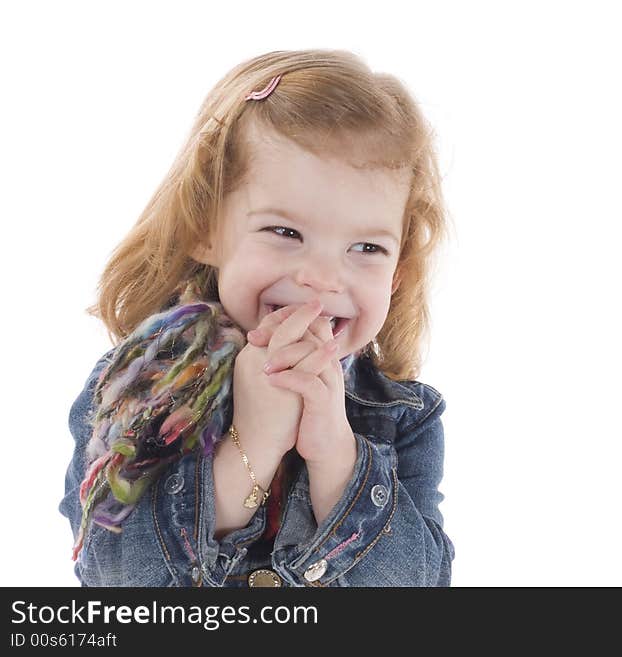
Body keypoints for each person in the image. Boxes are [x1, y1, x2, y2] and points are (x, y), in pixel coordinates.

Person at [59, 49, 453, 587]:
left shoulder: (404, 419)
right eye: (286, 233)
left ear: (398, 273)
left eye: (366, 247)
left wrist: (337, 457)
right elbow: (113, 578)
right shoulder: (140, 384)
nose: (323, 278)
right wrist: (254, 444)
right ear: (205, 228)